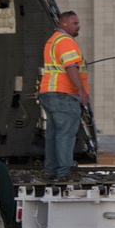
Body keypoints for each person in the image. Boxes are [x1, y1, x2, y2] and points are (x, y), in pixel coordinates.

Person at [39, 10, 89, 180]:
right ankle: (64, 171)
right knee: (66, 134)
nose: (78, 26)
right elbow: (70, 67)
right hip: (64, 94)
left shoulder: (52, 40)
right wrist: (81, 90)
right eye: (75, 23)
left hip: (49, 93)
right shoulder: (66, 41)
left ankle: (51, 171)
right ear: (64, 24)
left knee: (54, 134)